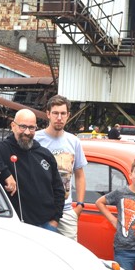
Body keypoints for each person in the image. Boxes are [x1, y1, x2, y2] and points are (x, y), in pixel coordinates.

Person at [0, 108, 64, 229]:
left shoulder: (45, 154)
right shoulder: (2, 150)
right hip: (16, 226)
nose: (27, 132)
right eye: (23, 126)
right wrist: (5, 173)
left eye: (31, 128)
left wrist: (55, 219)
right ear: (13, 126)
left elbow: (58, 189)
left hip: (47, 224)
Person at [34, 95, 87, 240]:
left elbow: (80, 174)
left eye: (63, 113)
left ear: (68, 115)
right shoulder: (35, 139)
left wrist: (80, 206)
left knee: (69, 254)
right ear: (48, 114)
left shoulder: (74, 141)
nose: (59, 117)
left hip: (67, 210)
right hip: (40, 208)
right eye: (55, 113)